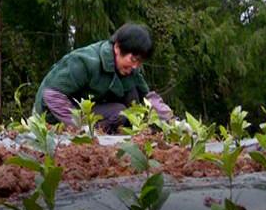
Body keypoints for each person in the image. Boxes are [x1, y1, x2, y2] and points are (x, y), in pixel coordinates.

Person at [33, 23, 174, 133]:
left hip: (87, 111)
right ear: (118, 47)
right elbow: (52, 95)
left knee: (133, 96)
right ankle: (97, 136)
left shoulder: (129, 69)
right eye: (133, 59)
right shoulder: (85, 61)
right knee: (119, 112)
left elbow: (148, 98)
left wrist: (172, 122)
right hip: (55, 114)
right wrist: (80, 128)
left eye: (140, 62)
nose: (136, 66)